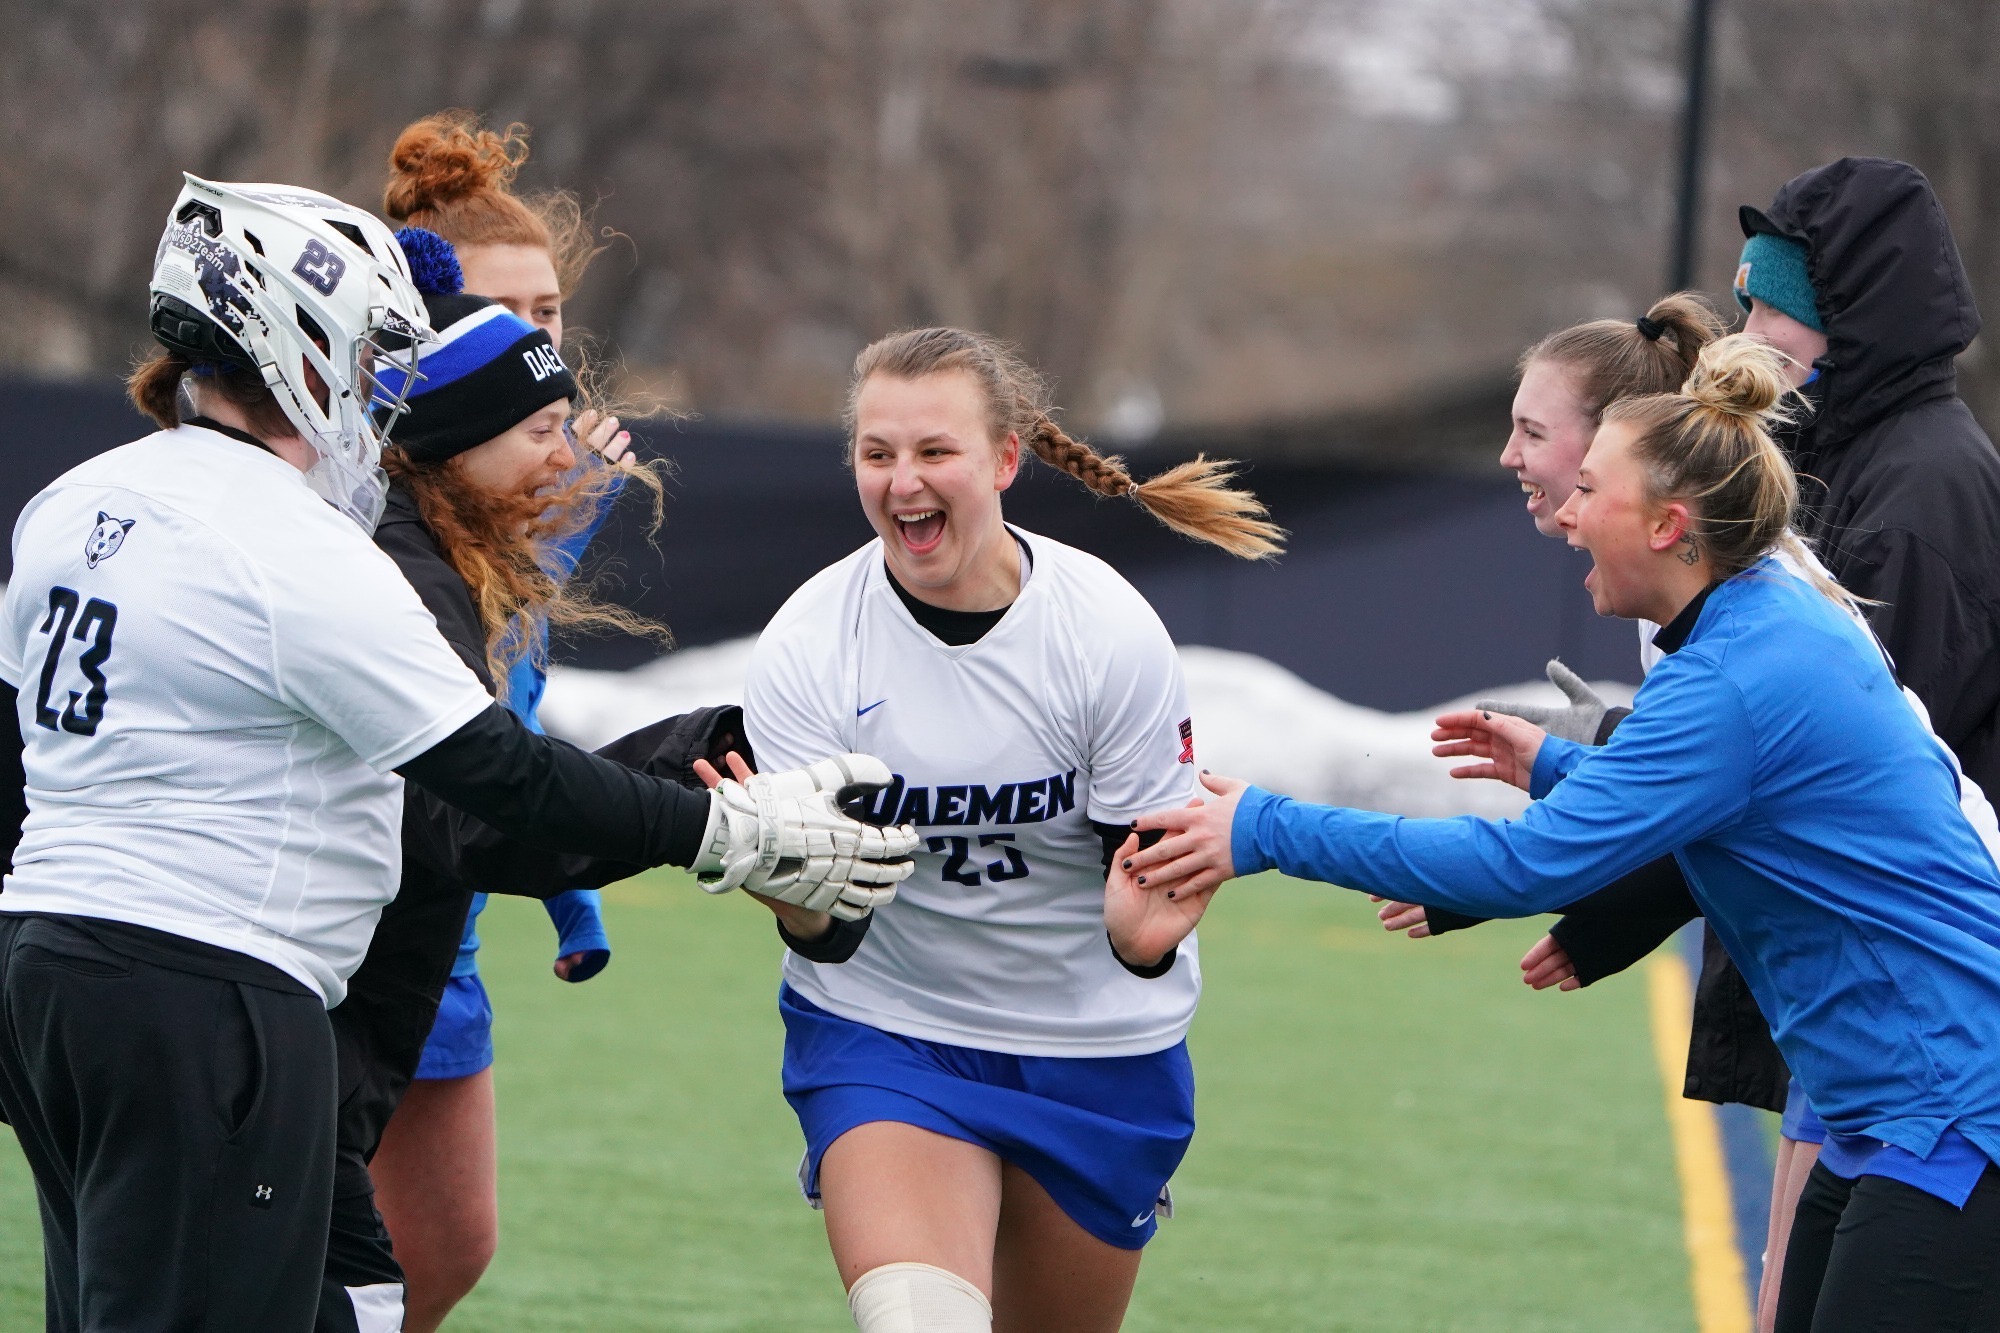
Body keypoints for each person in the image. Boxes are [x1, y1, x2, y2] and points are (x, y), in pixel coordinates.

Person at [0, 175, 913, 1332]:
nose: (384, 392)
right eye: (374, 349)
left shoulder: (78, 498)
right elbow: (498, 779)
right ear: (297, 340)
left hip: (52, 972)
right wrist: (731, 831)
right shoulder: (297, 546)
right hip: (209, 987)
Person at [1131, 336, 2000, 1332]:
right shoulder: (1739, 625)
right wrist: (1553, 765)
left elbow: (1524, 864)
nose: (1569, 514)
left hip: (1947, 1106)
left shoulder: (1732, 668)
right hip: (1883, 1108)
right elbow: (1722, 801)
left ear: (1670, 525)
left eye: (1588, 487)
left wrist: (1263, 826)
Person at [738, 327, 1281, 1332]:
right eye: (876, 454)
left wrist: (1142, 941)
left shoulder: (1104, 631)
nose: (902, 482)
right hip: (888, 1032)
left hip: (1094, 1048)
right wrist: (793, 897)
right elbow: (828, 926)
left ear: (1002, 460)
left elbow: (1147, 885)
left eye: (933, 451)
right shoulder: (809, 645)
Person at [361, 110, 646, 1332]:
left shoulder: (529, 488)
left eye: (550, 316)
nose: (541, 348)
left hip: (454, 910)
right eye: (502, 310)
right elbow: (461, 733)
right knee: (327, 1257)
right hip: (346, 920)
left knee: (446, 1249)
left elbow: (510, 732)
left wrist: (571, 901)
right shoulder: (367, 514)